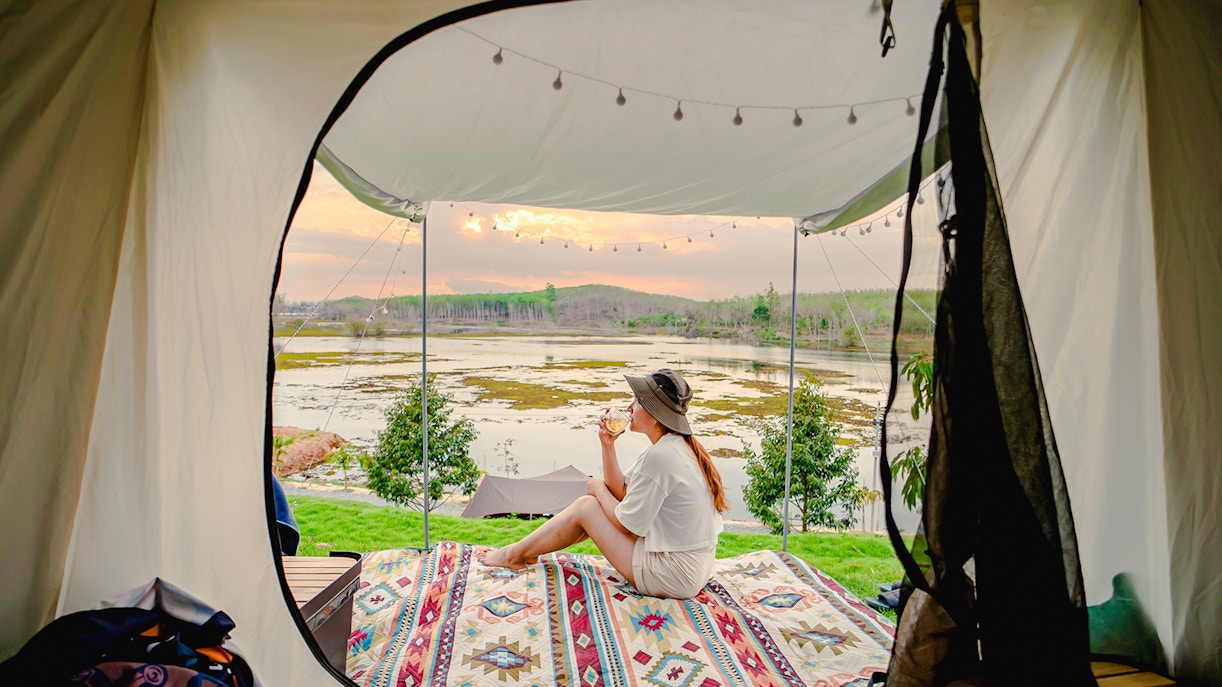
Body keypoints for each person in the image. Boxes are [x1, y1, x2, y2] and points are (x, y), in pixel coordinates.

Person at [477, 369, 728, 599]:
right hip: (690, 570)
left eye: (638, 401)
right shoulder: (673, 447)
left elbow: (625, 525)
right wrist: (607, 445)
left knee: (587, 507)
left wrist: (596, 488)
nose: (630, 407)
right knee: (591, 505)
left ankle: (513, 555)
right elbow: (623, 493)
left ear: (654, 413)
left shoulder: (662, 457)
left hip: (671, 576)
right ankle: (525, 551)